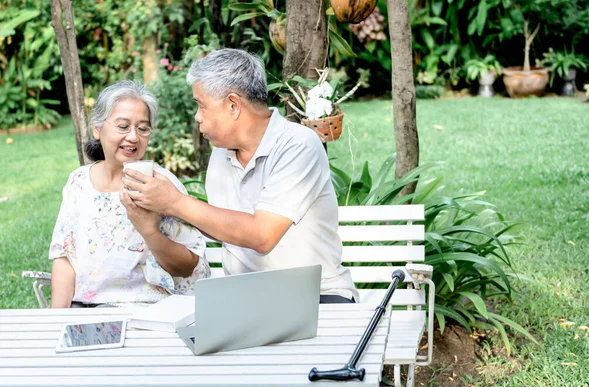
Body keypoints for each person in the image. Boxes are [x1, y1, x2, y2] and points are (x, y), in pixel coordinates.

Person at [124, 48, 358, 303]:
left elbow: (262, 235)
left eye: (201, 106)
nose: (197, 117)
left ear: (233, 105)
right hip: (247, 301)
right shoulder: (221, 153)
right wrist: (165, 207)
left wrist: (175, 202)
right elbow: (223, 226)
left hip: (317, 297)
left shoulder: (298, 145)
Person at [49, 80, 210, 308]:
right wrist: (57, 320)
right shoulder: (79, 182)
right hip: (84, 314)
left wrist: (149, 231)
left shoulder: (161, 185)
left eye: (142, 128)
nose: (133, 137)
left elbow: (189, 267)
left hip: (147, 312)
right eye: (123, 126)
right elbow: (65, 258)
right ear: (97, 128)